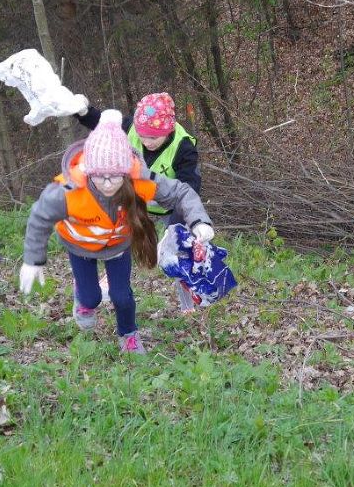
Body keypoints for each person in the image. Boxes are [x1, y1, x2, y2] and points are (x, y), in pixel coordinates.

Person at [18, 109, 214, 354]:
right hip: (81, 247)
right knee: (92, 298)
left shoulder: (137, 180)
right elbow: (40, 216)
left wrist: (198, 221)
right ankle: (83, 301)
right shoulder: (69, 190)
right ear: (89, 170)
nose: (108, 183)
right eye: (100, 177)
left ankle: (128, 335)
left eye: (116, 176)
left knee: (122, 297)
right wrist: (33, 260)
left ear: (125, 171)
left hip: (118, 247)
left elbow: (181, 192)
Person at [75, 92, 202, 310]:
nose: (146, 142)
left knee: (180, 251)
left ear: (168, 130)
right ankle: (107, 280)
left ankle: (189, 306)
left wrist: (173, 229)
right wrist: (83, 112)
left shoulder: (184, 147)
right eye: (143, 136)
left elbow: (188, 191)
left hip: (171, 207)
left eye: (153, 137)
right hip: (136, 200)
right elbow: (101, 123)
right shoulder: (131, 127)